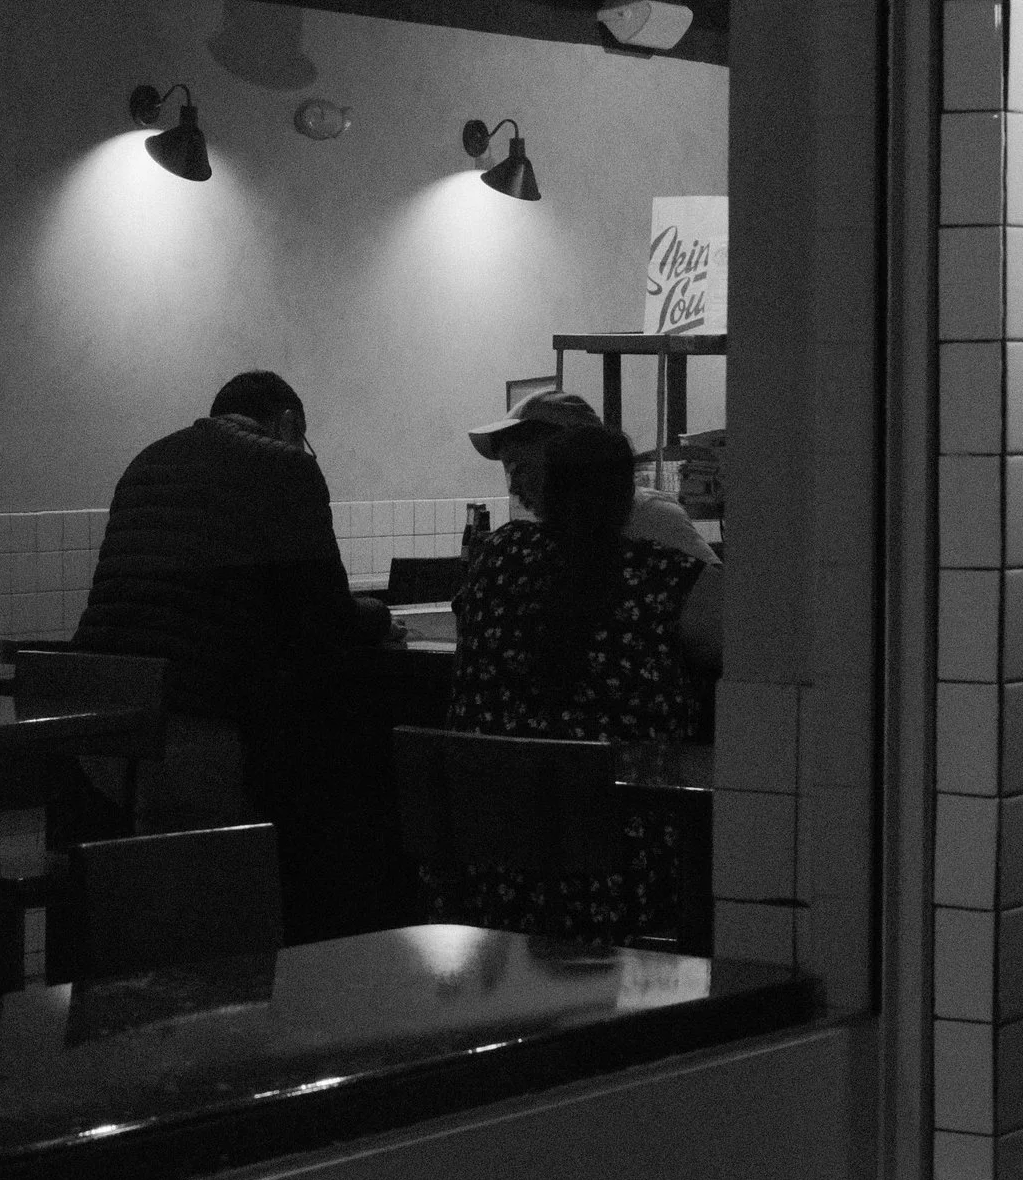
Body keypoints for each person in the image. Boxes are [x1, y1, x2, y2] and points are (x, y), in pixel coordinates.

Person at [70, 371, 409, 938]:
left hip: (102, 719)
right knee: (211, 915)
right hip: (194, 716)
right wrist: (375, 616)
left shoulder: (147, 460)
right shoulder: (287, 467)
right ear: (288, 424)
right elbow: (322, 612)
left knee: (153, 898)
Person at [445, 420, 722, 939]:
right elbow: (761, 647)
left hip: (489, 869)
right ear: (628, 496)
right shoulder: (663, 580)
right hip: (624, 872)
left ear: (543, 493)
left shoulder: (494, 559)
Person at [467, 387, 714, 564]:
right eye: (510, 471)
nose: (515, 487)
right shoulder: (542, 540)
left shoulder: (650, 515)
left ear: (573, 460)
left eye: (522, 467)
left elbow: (721, 612)